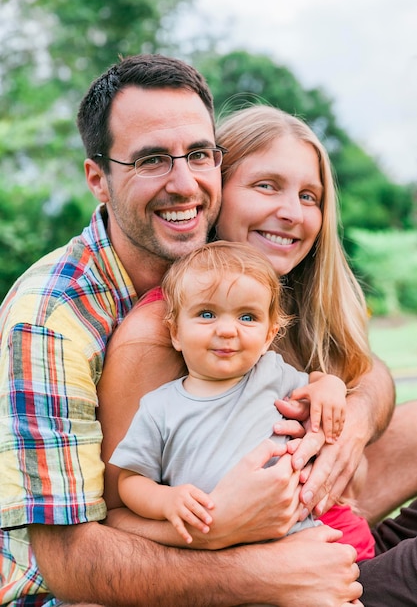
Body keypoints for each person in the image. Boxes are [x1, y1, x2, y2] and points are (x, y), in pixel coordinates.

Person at [0, 55, 363, 607]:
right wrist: (262, 569)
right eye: (150, 160)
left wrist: (349, 415)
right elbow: (67, 562)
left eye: (198, 155)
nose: (183, 183)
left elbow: (364, 370)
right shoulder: (50, 320)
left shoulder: (214, 275)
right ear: (98, 177)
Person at [98, 103, 417, 605]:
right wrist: (219, 533)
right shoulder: (160, 335)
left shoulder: (283, 305)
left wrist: (347, 408)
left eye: (309, 195)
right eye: (266, 186)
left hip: (339, 537)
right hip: (296, 576)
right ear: (216, 191)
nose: (291, 212)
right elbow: (117, 520)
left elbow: (363, 367)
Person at [109, 240, 353, 546]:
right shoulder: (159, 407)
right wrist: (166, 499)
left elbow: (316, 383)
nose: (227, 330)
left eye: (247, 317)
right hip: (218, 555)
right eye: (207, 314)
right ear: (176, 333)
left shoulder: (272, 374)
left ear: (268, 336)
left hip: (297, 539)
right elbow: (130, 481)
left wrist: (331, 385)